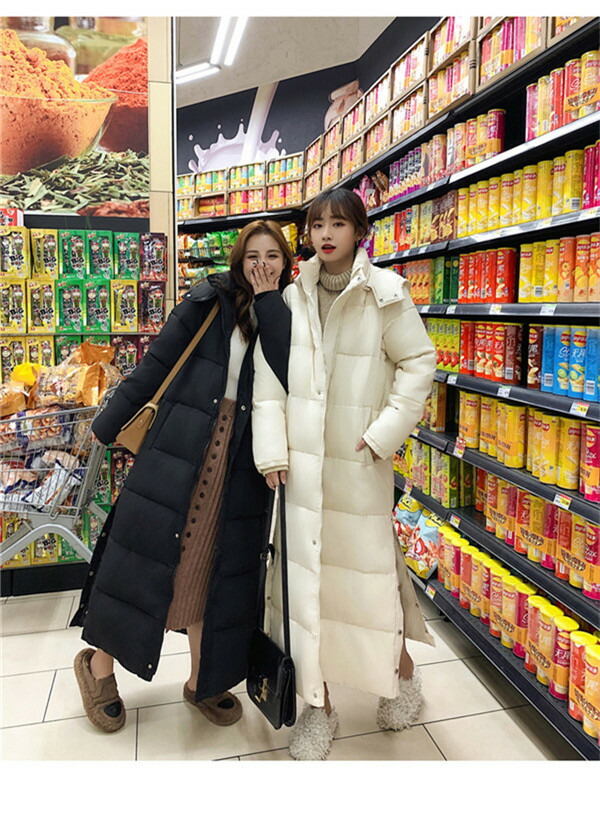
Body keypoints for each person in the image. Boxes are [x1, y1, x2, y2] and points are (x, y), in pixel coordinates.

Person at [71, 220, 293, 733]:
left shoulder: (286, 311)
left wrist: (268, 303)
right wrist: (105, 426)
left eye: (272, 256)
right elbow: (156, 364)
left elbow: (289, 373)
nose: (262, 264)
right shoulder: (208, 300)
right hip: (178, 445)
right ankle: (98, 668)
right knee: (141, 560)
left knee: (213, 567)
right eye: (253, 255)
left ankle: (203, 680)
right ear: (238, 259)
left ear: (286, 263)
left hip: (240, 460)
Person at [252, 189, 437, 760]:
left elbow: (419, 363)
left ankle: (401, 675)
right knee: (306, 595)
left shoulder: (386, 293)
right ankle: (319, 706)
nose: (326, 234)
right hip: (303, 470)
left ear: (359, 230)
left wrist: (384, 432)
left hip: (358, 466)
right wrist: (271, 451)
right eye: (317, 225)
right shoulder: (293, 295)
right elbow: (270, 376)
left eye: (338, 223)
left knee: (370, 585)